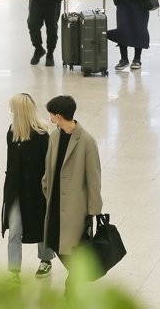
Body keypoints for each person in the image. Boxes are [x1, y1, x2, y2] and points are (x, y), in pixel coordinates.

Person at [42, 95, 102, 295]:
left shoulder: (86, 141)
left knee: (72, 247)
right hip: (55, 203)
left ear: (58, 116)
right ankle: (78, 277)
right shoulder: (54, 137)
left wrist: (94, 210)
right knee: (54, 242)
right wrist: (46, 187)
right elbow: (49, 168)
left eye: (51, 115)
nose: (50, 119)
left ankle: (73, 283)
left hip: (76, 208)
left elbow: (94, 179)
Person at [2, 93, 54, 283]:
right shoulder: (12, 132)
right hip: (16, 190)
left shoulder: (41, 135)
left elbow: (49, 164)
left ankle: (46, 259)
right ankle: (13, 270)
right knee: (14, 229)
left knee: (41, 224)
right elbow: (10, 162)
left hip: (37, 190)